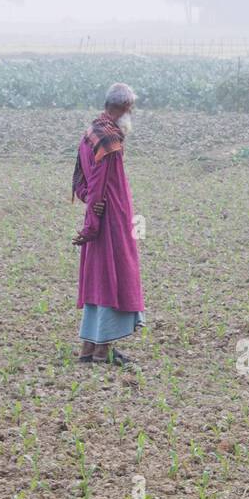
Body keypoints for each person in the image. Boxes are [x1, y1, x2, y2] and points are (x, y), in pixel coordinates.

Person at [72, 83, 144, 367]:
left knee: (98, 280)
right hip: (110, 220)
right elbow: (99, 186)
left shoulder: (91, 132)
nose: (132, 113)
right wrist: (94, 223)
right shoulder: (110, 140)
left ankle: (88, 349)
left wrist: (89, 208)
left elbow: (81, 178)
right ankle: (102, 352)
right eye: (131, 108)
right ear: (123, 108)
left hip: (100, 216)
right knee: (113, 280)